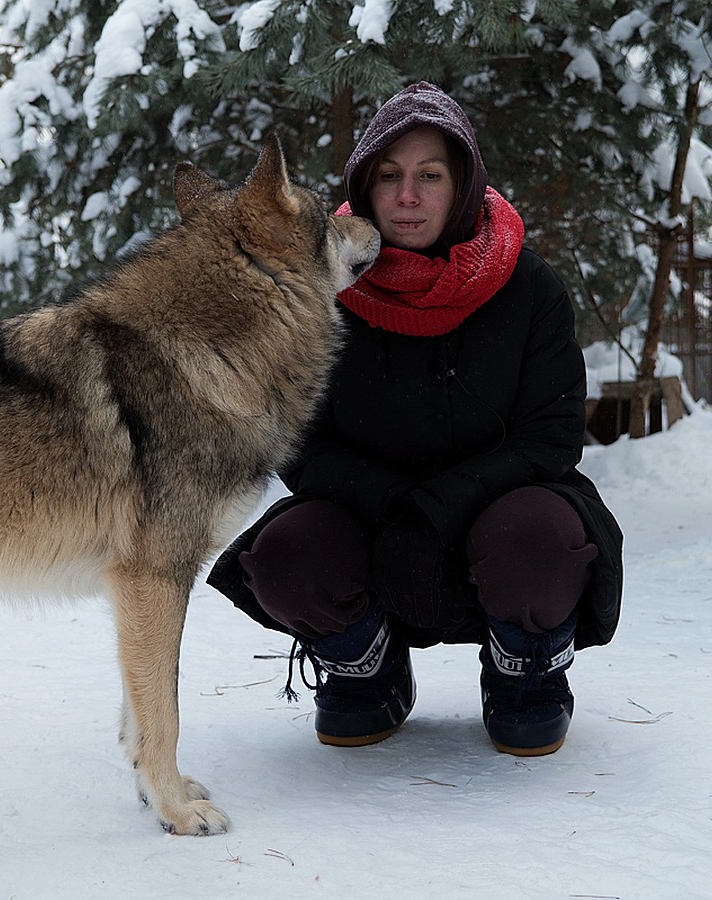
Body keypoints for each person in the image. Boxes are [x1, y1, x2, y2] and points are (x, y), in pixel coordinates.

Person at [207, 82, 623, 757]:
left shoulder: (530, 286)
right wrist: (396, 503)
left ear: (462, 186)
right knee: (285, 553)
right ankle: (364, 670)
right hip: (370, 515)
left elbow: (550, 436)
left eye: (430, 176)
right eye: (390, 176)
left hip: (502, 507)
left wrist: (441, 504)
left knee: (540, 540)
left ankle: (525, 674)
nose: (408, 195)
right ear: (364, 187)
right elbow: (299, 440)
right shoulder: (317, 289)